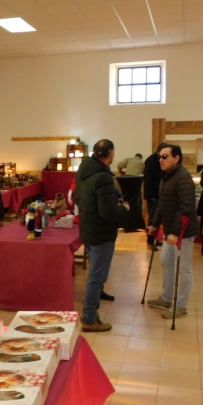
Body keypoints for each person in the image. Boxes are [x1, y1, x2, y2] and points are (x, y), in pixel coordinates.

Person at [74, 139, 130, 333]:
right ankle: (89, 319)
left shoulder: (84, 170)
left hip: (88, 229)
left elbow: (76, 197)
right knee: (96, 277)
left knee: (97, 274)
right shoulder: (103, 177)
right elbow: (108, 213)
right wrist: (123, 209)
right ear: (111, 154)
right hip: (101, 233)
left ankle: (99, 293)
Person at [147, 144, 199, 319]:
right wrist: (155, 224)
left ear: (176, 158)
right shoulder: (167, 177)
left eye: (165, 157)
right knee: (166, 261)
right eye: (159, 157)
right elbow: (162, 203)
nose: (161, 160)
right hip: (170, 230)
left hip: (183, 231)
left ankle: (181, 305)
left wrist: (176, 233)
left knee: (184, 268)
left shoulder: (183, 179)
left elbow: (186, 209)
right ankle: (167, 298)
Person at [143, 144, 167, 251]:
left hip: (157, 194)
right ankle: (149, 241)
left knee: (157, 218)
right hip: (153, 195)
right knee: (153, 218)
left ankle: (154, 239)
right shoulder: (152, 161)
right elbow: (148, 180)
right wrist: (151, 196)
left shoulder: (157, 160)